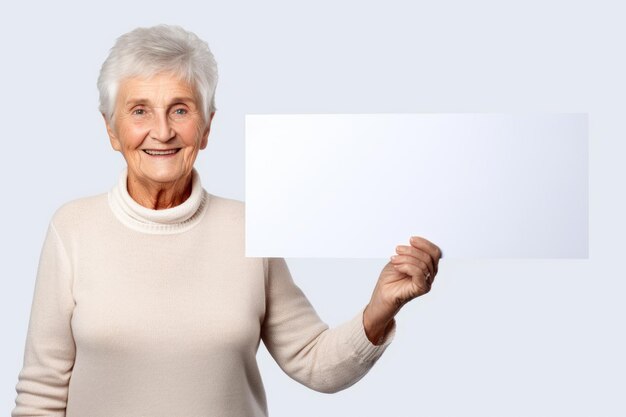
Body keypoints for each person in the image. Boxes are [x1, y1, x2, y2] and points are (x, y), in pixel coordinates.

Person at [11, 24, 442, 417]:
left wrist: (380, 308)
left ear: (207, 126)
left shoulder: (248, 229)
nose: (161, 132)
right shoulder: (72, 228)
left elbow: (314, 362)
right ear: (111, 129)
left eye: (179, 110)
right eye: (139, 111)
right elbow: (41, 393)